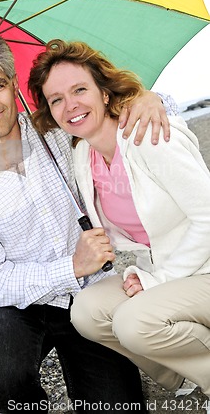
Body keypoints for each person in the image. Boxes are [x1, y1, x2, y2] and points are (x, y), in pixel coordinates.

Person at [0, 28, 172, 413]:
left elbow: (120, 121)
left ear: (13, 84)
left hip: (88, 295)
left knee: (120, 407)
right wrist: (70, 267)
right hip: (16, 308)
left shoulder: (57, 131)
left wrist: (149, 98)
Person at [27, 38, 210, 403]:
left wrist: (156, 279)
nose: (71, 106)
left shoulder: (147, 135)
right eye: (56, 99)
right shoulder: (83, 156)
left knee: (133, 323)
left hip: (204, 269)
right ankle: (185, 374)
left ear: (104, 93)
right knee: (87, 312)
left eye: (80, 89)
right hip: (166, 270)